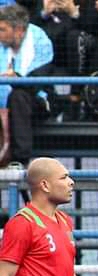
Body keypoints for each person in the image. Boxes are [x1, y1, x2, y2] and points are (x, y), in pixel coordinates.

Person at [0, 4, 55, 167]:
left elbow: (39, 81)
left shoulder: (40, 41)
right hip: (4, 104)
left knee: (18, 96)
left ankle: (19, 160)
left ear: (18, 30)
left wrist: (17, 78)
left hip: (38, 101)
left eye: (3, 30)